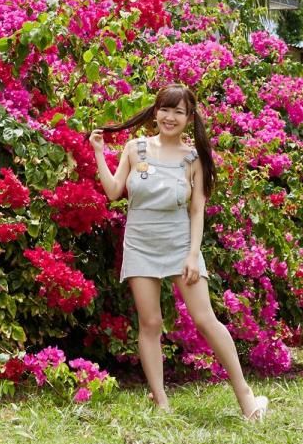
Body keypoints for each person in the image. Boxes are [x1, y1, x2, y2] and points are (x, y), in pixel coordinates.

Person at [89, 83, 268, 421]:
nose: (170, 117)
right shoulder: (134, 148)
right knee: (150, 322)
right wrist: (99, 152)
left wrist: (192, 255)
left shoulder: (193, 158)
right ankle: (161, 404)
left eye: (178, 112)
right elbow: (113, 191)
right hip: (140, 244)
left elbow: (197, 210)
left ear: (189, 118)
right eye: (165, 109)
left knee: (205, 319)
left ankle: (247, 399)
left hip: (180, 244)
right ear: (155, 112)